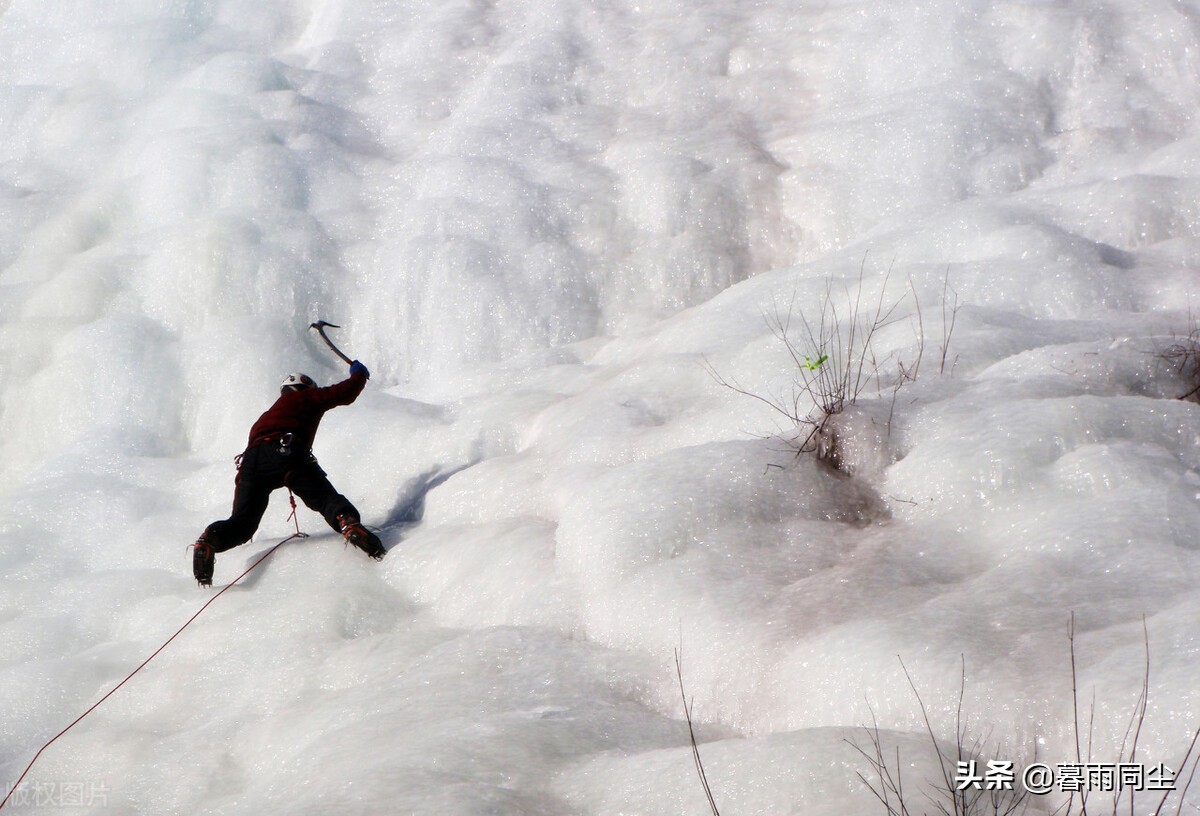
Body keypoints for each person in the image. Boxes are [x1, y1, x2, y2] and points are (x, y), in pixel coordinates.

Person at [192, 359, 385, 587]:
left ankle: (209, 540)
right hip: (286, 451)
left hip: (251, 463)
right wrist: (359, 375)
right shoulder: (304, 398)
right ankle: (349, 524)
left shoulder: (265, 417)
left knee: (242, 524)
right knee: (325, 499)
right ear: (302, 388)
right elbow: (345, 393)